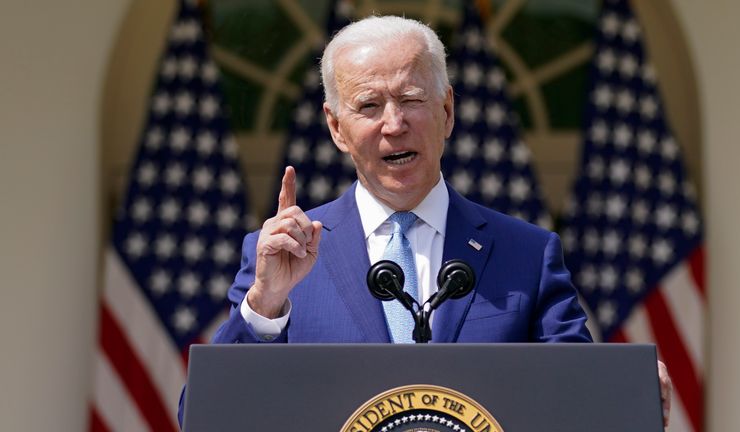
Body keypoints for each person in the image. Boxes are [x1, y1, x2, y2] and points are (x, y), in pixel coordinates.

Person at [179, 15, 671, 426]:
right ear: (336, 127)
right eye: (369, 106)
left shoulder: (528, 254)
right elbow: (206, 418)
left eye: (411, 100)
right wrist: (265, 305)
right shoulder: (283, 255)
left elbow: (580, 405)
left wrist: (632, 396)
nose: (394, 124)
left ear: (447, 111)